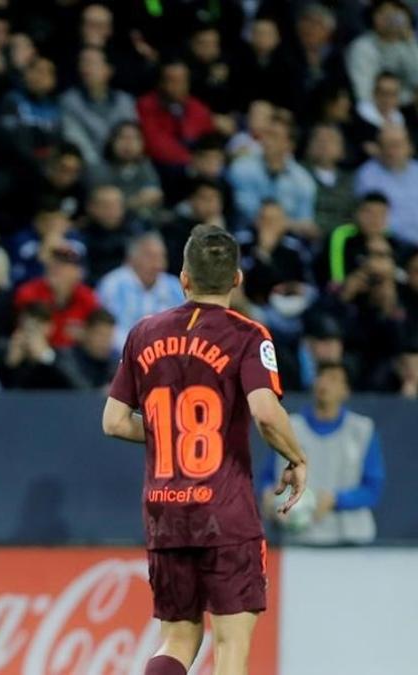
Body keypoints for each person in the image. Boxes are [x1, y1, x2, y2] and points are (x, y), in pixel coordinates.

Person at [102, 225, 309, 675]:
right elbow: (266, 412)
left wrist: (167, 430)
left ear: (183, 278)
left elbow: (114, 422)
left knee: (177, 638)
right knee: (231, 646)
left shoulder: (143, 333)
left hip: (164, 510)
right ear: (237, 278)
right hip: (225, 511)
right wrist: (296, 458)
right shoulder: (249, 336)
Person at [259, 362, 383, 545]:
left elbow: (373, 489)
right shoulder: (288, 428)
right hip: (296, 541)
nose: (324, 384)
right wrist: (268, 497)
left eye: (333, 379)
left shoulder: (361, 430)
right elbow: (267, 478)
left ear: (346, 391)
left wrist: (336, 500)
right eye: (320, 377)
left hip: (349, 541)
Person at [97, 232, 185, 350]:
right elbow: (109, 331)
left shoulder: (175, 287)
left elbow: (186, 327)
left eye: (161, 257)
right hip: (123, 357)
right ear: (132, 258)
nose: (158, 263)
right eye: (151, 257)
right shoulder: (113, 285)